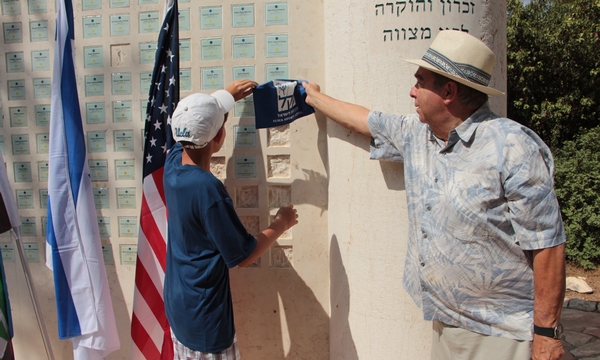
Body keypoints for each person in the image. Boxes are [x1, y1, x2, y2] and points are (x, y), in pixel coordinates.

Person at [302, 30, 566, 360]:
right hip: (444, 326)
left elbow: (548, 245)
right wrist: (313, 97)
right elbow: (365, 119)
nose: (411, 92)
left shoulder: (513, 146)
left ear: (448, 91)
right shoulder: (418, 135)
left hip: (501, 334)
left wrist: (546, 334)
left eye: (419, 81)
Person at [163, 79, 299, 359]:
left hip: (180, 305)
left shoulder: (173, 162)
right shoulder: (207, 188)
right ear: (220, 137)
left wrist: (227, 96)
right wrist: (281, 223)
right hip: (206, 320)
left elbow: (196, 130)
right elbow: (243, 254)